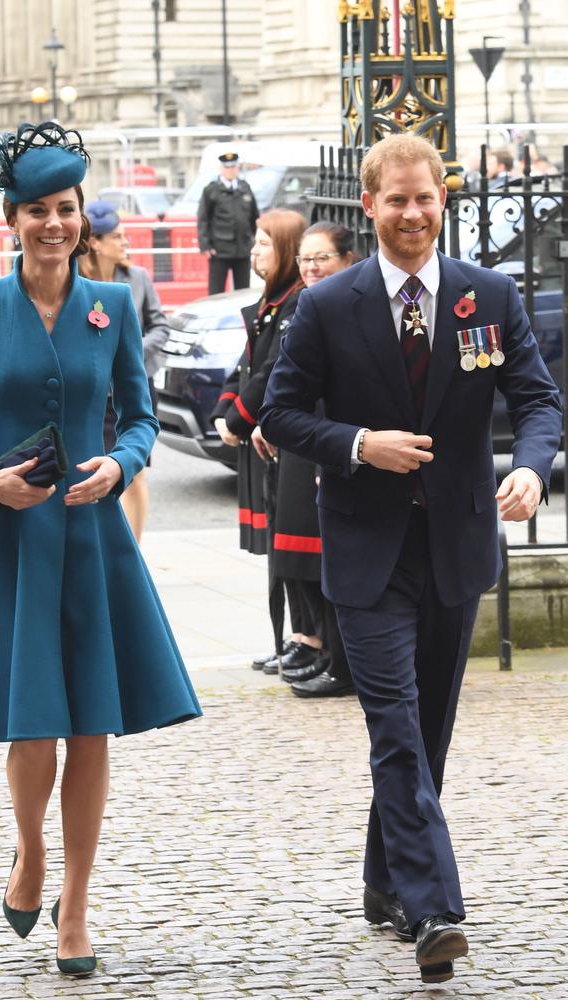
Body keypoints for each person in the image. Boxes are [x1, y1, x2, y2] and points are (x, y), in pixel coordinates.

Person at [260, 133, 561, 985]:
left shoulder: (489, 296)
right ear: (370, 206)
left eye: (424, 198)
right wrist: (359, 443)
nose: (412, 214)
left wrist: (532, 472)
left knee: (426, 734)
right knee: (393, 727)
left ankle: (384, 878)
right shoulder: (327, 306)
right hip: (365, 549)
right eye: (395, 200)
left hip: (456, 544)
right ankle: (434, 909)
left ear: (442, 199)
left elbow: (537, 400)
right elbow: (279, 417)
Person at [0, 121, 201, 978]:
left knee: (91, 723)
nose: (55, 223)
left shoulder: (112, 305)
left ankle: (75, 904)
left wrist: (119, 466)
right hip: (11, 536)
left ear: (83, 218)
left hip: (92, 536)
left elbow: (144, 417)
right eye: (38, 210)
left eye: (67, 209)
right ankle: (30, 855)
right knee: (32, 721)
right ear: (11, 220)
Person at [251, 221, 356, 697]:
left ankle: (340, 662)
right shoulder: (308, 306)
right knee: (302, 559)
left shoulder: (349, 306)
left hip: (337, 447)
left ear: (348, 259)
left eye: (323, 258)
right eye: (306, 259)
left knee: (332, 564)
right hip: (306, 442)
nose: (311, 267)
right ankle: (319, 647)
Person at [209, 209, 306, 665]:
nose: (254, 250)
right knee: (281, 552)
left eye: (264, 242)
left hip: (287, 440)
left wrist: (238, 419)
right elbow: (245, 364)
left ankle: (310, 639)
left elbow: (273, 371)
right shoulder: (271, 302)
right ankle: (298, 639)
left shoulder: (296, 302)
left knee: (296, 552)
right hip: (267, 442)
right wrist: (222, 410)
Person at [78, 198, 171, 541]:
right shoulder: (75, 283)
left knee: (134, 473)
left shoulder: (138, 277)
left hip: (135, 388)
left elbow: (160, 326)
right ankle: (101, 544)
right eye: (116, 236)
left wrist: (129, 353)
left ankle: (133, 549)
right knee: (92, 471)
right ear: (96, 243)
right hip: (93, 395)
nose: (124, 242)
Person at [197, 151, 259, 295]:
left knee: (243, 290)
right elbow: (203, 218)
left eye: (233, 167)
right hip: (220, 249)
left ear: (237, 168)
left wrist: (255, 242)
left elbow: (254, 217)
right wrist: (205, 245)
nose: (231, 170)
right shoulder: (211, 190)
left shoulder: (245, 188)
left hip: (242, 248)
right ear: (221, 169)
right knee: (216, 291)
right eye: (227, 167)